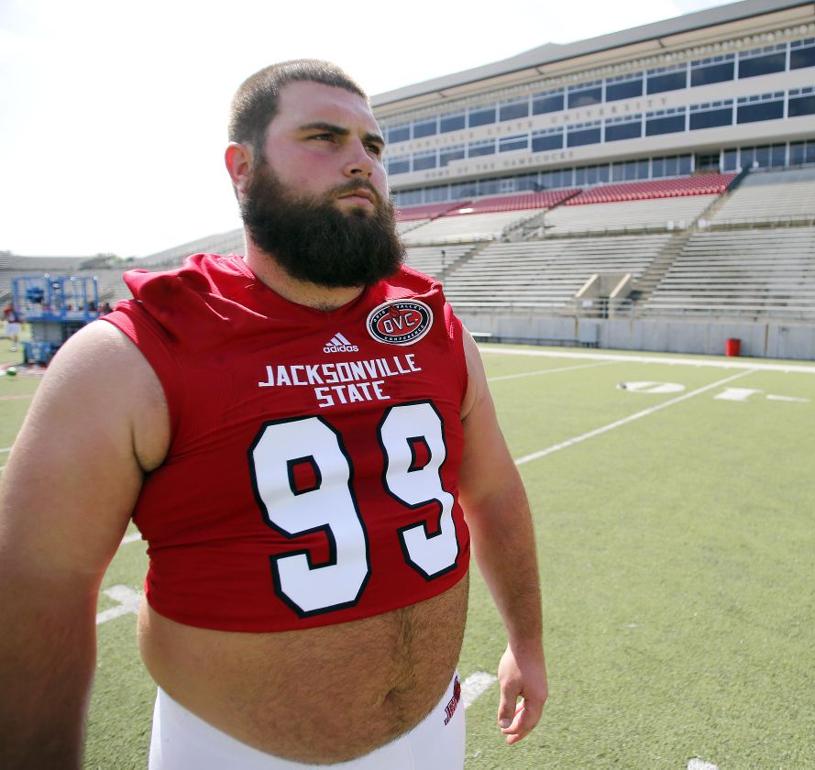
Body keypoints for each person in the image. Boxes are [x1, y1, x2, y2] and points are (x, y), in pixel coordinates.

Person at [0, 60, 546, 769]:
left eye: (373, 147)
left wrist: (525, 645)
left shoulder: (432, 326)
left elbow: (493, 489)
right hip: (231, 751)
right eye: (323, 137)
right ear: (242, 167)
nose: (360, 163)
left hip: (432, 733)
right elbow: (39, 586)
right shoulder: (134, 352)